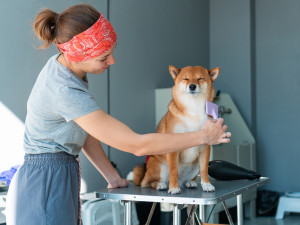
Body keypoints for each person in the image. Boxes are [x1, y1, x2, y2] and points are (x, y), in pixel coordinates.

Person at [6, 4, 231, 225]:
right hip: (46, 183)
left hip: (57, 175)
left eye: (111, 53)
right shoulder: (64, 89)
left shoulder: (66, 69)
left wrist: (111, 176)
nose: (112, 61)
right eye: (103, 58)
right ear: (77, 55)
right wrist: (203, 137)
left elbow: (86, 130)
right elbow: (136, 145)